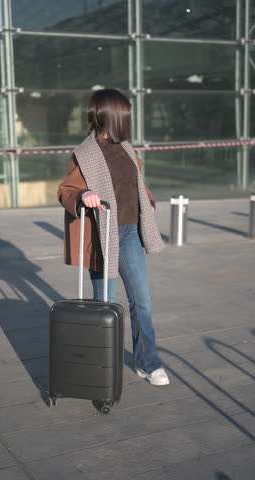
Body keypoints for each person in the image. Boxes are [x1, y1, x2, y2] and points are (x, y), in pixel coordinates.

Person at [58, 88, 169, 386]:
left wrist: (148, 202)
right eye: (126, 114)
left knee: (141, 300)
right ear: (112, 116)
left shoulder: (127, 148)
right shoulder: (85, 153)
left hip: (131, 231)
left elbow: (136, 182)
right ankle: (101, 365)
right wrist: (85, 194)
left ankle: (148, 363)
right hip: (104, 235)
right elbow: (66, 191)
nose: (129, 119)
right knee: (105, 304)